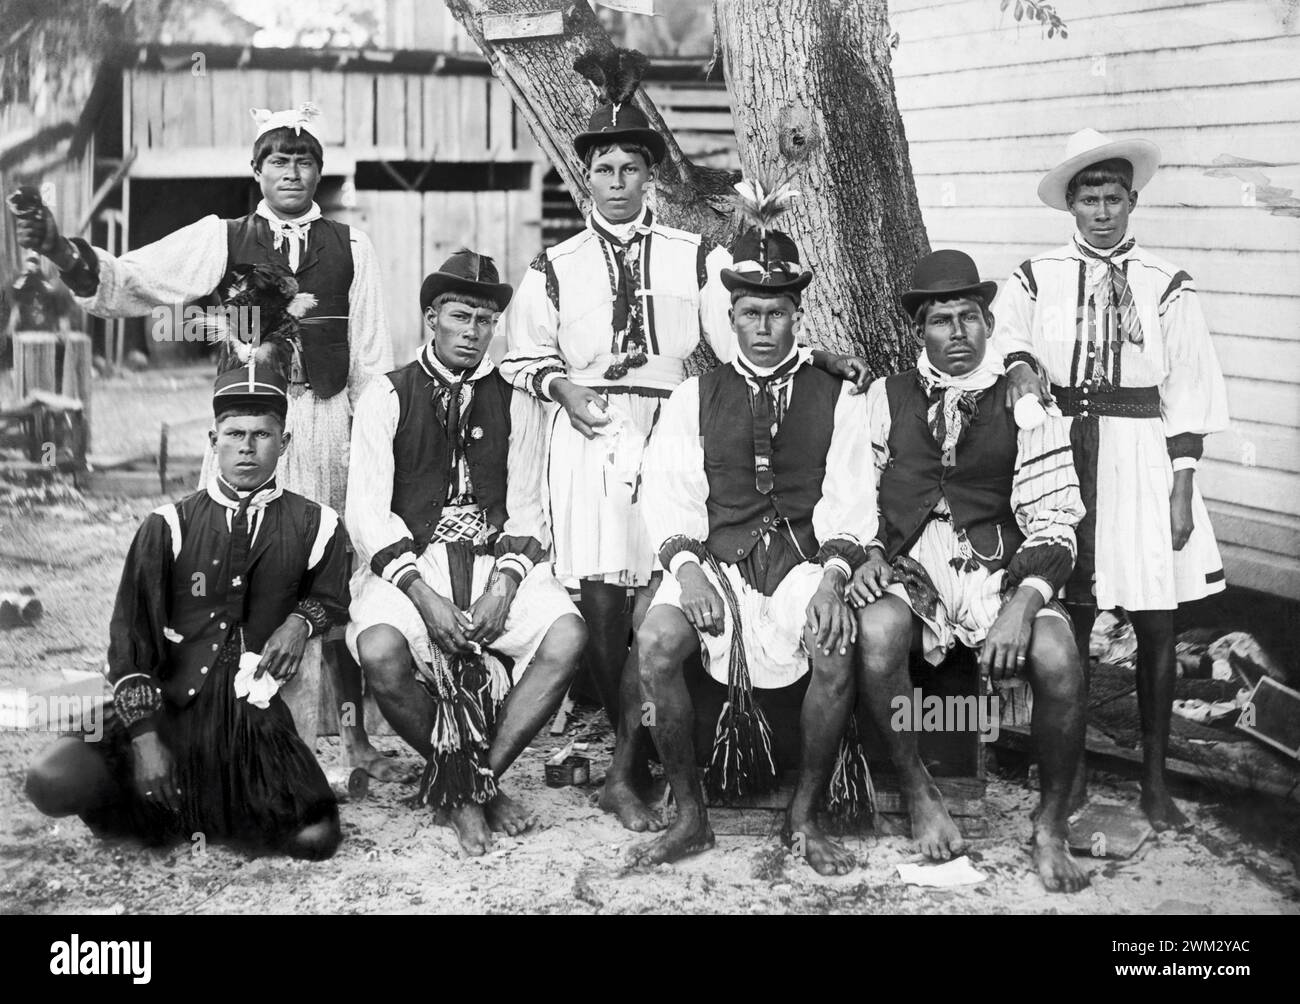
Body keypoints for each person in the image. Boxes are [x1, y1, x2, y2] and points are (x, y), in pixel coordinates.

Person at [497, 48, 868, 832]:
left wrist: (822, 359)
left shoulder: (694, 252)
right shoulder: (554, 265)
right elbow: (521, 355)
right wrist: (563, 384)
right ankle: (624, 757)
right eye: (605, 168)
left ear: (650, 178)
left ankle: (652, 757)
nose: (620, 181)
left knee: (653, 587)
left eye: (634, 167)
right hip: (592, 427)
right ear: (588, 176)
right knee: (601, 594)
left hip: (670, 422)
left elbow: (749, 325)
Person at [10, 102, 400, 783]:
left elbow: (371, 357)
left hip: (331, 426)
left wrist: (371, 449)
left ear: (320, 172)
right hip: (250, 430)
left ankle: (354, 736)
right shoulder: (221, 239)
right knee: (238, 576)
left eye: (305, 160)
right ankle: (237, 723)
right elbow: (131, 282)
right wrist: (63, 251)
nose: (293, 171)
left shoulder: (352, 247)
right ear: (256, 169)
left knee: (334, 574)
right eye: (279, 159)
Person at [994, 129, 1229, 829]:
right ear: (1071, 206)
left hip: (1142, 453)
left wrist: (1183, 483)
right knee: (1076, 613)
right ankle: (1070, 775)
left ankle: (1154, 782)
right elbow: (1009, 336)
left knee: (1157, 620)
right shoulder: (1038, 275)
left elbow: (1188, 385)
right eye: (1090, 199)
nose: (1103, 212)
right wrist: (1021, 366)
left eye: (1115, 198)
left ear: (1133, 200)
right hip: (1065, 449)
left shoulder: (1166, 283)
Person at [24, 363, 349, 859]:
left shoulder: (316, 523)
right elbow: (131, 643)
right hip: (171, 706)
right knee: (51, 780)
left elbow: (333, 596)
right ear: (212, 440)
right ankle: (178, 804)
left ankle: (205, 810)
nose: (247, 446)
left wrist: (300, 621)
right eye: (235, 434)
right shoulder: (168, 525)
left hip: (251, 717)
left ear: (283, 444)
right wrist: (145, 738)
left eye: (262, 435)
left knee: (315, 837)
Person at [633, 217, 875, 875]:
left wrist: (832, 579)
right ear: (731, 317)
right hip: (718, 563)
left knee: (835, 642)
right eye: (749, 313)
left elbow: (853, 499)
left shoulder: (838, 396)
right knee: (656, 644)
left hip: (799, 567)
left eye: (776, 312)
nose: (763, 327)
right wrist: (687, 572)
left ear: (798, 315)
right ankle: (690, 815)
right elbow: (668, 493)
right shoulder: (694, 396)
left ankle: (805, 813)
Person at [852, 250, 1089, 893]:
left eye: (969, 318)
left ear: (989, 324)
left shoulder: (1024, 401)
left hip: (993, 569)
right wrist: (868, 551)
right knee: (876, 634)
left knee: (1060, 656)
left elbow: (1055, 517)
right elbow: (856, 493)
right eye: (940, 321)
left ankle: (1050, 823)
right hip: (908, 562)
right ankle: (918, 788)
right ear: (918, 330)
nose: (957, 333)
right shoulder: (885, 396)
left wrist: (1024, 600)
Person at [345, 250, 587, 856]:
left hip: (495, 556)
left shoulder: (517, 395)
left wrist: (504, 585)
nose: (473, 332)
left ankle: (473, 782)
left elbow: (530, 503)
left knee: (566, 635)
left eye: (485, 321)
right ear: (432, 317)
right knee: (379, 647)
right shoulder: (386, 392)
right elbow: (367, 512)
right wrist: (420, 594)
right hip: (414, 563)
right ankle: (460, 781)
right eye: (460, 316)